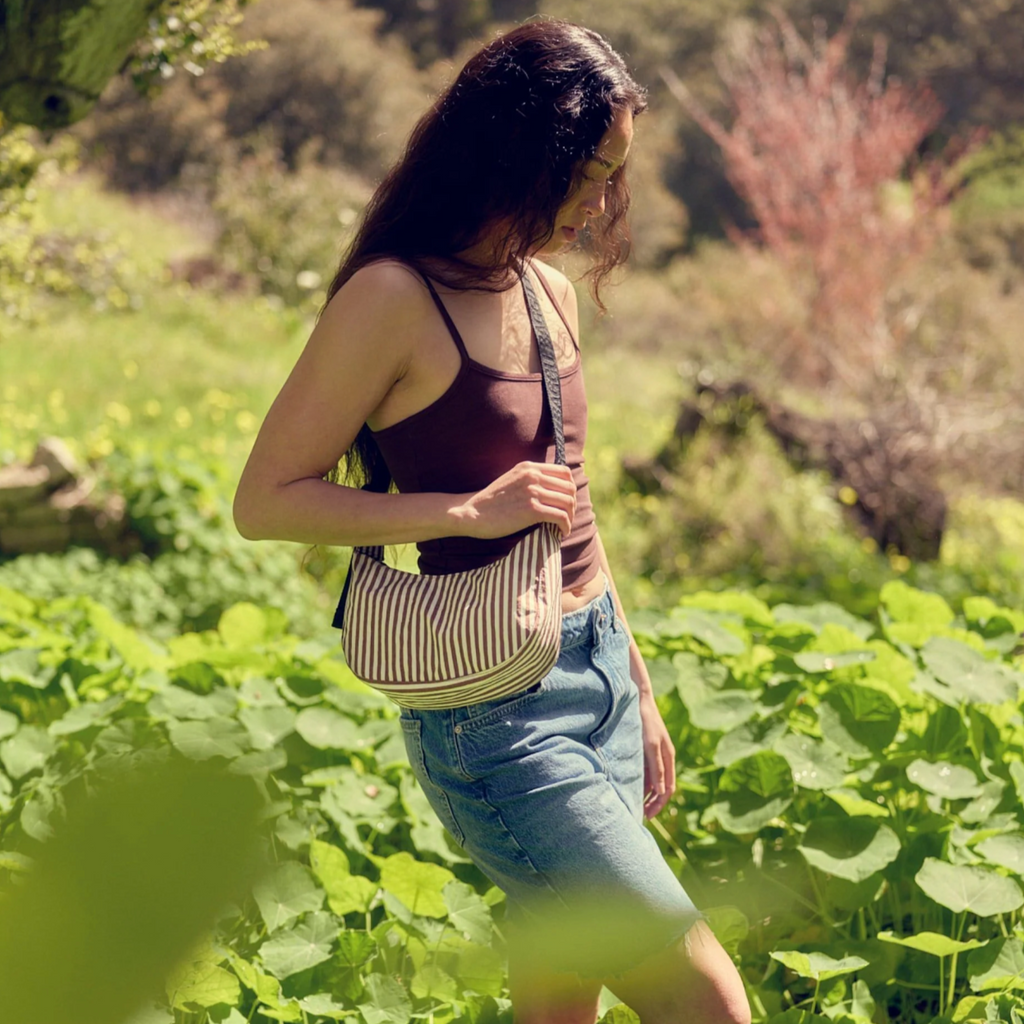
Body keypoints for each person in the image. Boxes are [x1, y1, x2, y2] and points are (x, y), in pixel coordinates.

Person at [233, 18, 751, 1024]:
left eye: (616, 177)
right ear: (518, 155)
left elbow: (576, 508)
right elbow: (265, 500)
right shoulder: (392, 299)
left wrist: (637, 687)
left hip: (595, 676)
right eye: (590, 175)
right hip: (497, 716)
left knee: (561, 1002)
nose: (603, 204)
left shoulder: (547, 292)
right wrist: (466, 510)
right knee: (705, 1002)